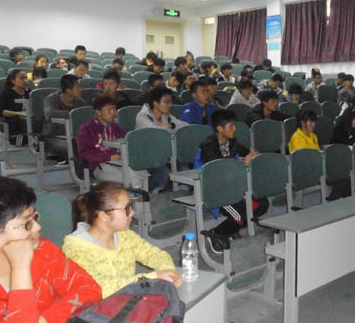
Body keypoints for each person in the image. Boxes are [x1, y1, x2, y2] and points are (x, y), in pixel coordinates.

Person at [0, 177, 102, 323]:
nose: (37, 227)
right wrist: (20, 267)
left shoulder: (43, 251)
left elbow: (89, 289)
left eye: (35, 218)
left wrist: (44, 322)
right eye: (26, 224)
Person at [63, 182, 181, 298]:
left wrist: (169, 271)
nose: (132, 213)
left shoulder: (124, 235)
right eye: (127, 208)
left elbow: (155, 254)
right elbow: (99, 287)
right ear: (104, 216)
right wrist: (151, 278)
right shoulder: (76, 249)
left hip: (127, 301)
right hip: (97, 307)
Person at [193, 109, 265, 252]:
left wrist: (254, 156)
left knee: (261, 204)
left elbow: (247, 154)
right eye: (230, 125)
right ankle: (217, 233)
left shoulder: (233, 143)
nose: (235, 128)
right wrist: (243, 162)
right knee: (241, 214)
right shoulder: (208, 146)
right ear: (219, 129)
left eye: (234, 125)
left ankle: (231, 229)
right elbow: (218, 171)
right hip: (214, 192)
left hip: (232, 189)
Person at [77, 95, 149, 190]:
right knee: (132, 177)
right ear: (98, 112)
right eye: (109, 110)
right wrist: (109, 157)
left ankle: (139, 195)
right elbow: (84, 152)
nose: (113, 113)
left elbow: (124, 144)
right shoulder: (87, 128)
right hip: (100, 167)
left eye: (114, 109)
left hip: (120, 162)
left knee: (143, 172)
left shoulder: (115, 127)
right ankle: (138, 197)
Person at [43, 74, 86, 163]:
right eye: (77, 87)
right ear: (68, 90)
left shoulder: (80, 102)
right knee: (72, 150)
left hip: (74, 137)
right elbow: (50, 113)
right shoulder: (51, 99)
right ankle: (79, 170)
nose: (80, 89)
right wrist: (73, 114)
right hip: (53, 136)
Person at [0, 69, 30, 145]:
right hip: (15, 127)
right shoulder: (6, 93)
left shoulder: (30, 93)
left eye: (26, 78)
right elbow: (1, 111)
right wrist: (20, 113)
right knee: (20, 141)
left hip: (30, 124)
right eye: (22, 78)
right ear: (13, 81)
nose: (25, 81)